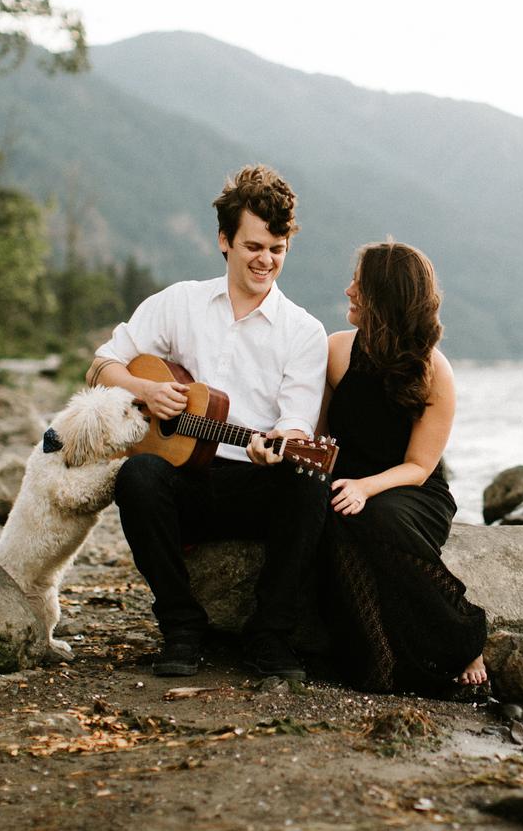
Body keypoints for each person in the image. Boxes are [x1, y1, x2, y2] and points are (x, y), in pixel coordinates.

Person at [86, 164, 329, 679]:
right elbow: (102, 365)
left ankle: (270, 636)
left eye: (277, 249)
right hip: (185, 482)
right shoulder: (180, 303)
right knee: (136, 475)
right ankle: (182, 628)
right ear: (224, 240)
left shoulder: (304, 331)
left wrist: (280, 444)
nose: (266, 260)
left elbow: (297, 422)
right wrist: (147, 390)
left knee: (308, 481)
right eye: (253, 246)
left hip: (253, 485)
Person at [320, 241, 487, 694]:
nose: (348, 290)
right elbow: (320, 439)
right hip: (348, 485)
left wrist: (365, 488)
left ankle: (465, 634)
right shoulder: (336, 351)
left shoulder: (434, 370)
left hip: (412, 494)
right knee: (334, 516)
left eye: (360, 283)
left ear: (384, 296)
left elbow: (419, 465)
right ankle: (378, 659)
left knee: (374, 514)